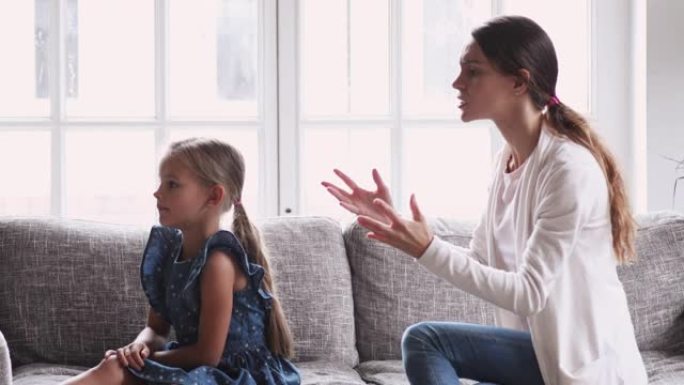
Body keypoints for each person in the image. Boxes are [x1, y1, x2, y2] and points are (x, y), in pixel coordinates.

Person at [322, 15, 647, 385]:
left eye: (472, 71)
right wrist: (399, 227)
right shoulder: (507, 160)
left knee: (426, 341)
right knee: (426, 343)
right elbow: (478, 260)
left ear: (518, 82)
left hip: (583, 369)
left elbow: (528, 294)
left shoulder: (567, 168)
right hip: (541, 355)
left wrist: (426, 248)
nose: (457, 83)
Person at [62, 138, 300, 385]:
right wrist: (138, 347)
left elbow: (208, 355)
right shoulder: (169, 255)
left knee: (115, 370)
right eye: (161, 182)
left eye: (172, 184)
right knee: (115, 367)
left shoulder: (218, 262)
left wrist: (149, 359)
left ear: (213, 196)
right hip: (196, 366)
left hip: (232, 375)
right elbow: (156, 329)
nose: (157, 192)